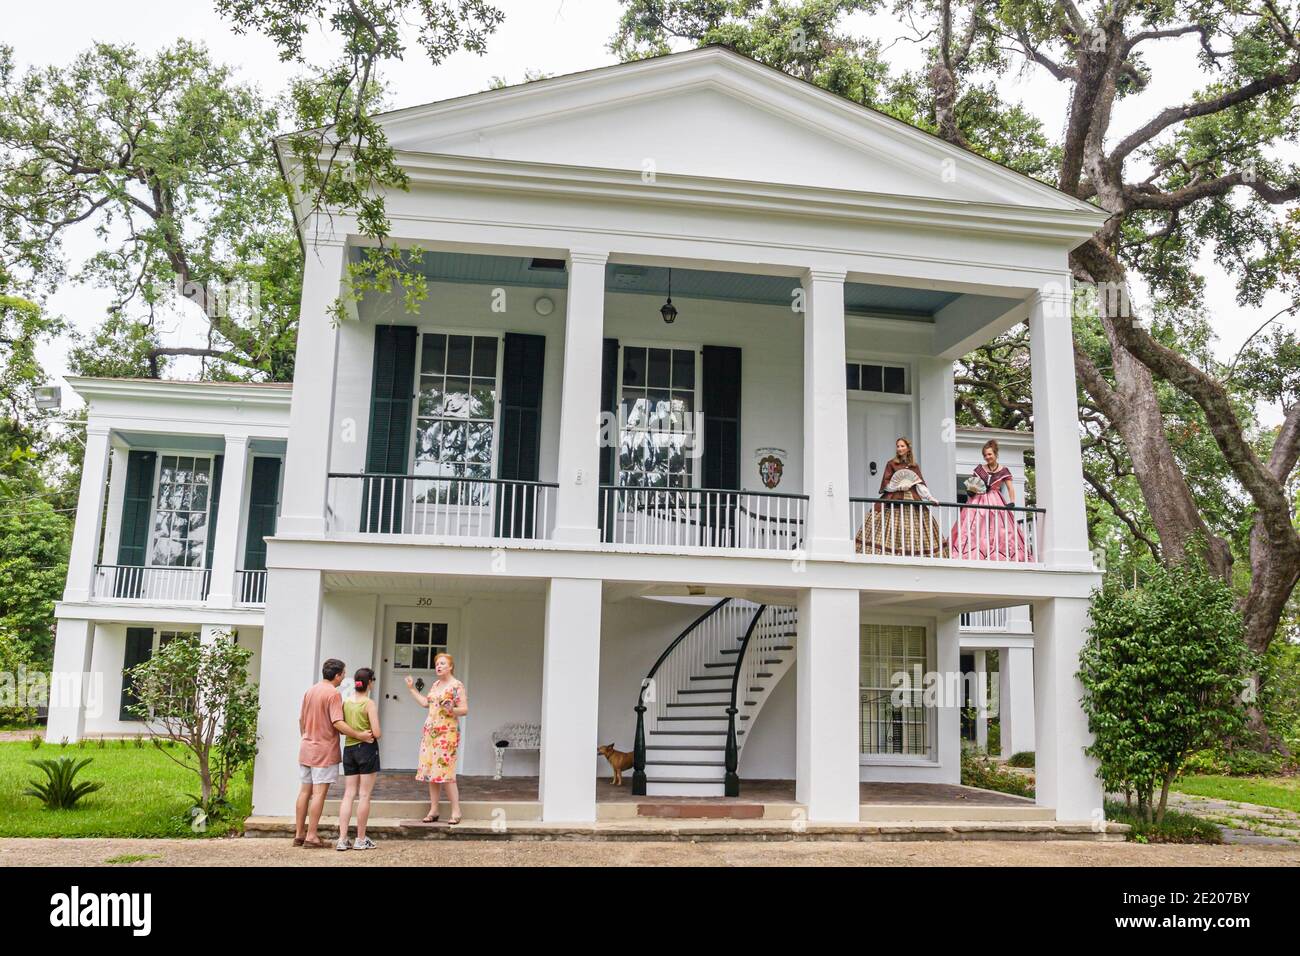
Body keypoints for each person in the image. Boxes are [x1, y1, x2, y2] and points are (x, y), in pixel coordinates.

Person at [294, 658, 374, 849]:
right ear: (337, 675)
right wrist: (359, 735)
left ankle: (299, 834)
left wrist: (306, 737)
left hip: (306, 747)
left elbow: (301, 719)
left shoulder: (310, 690)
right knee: (319, 793)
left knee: (305, 791)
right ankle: (312, 836)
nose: (344, 677)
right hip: (323, 750)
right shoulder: (333, 694)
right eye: (343, 674)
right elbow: (337, 722)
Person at [407, 652, 468, 825]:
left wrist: (451, 709)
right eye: (436, 664)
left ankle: (456, 810)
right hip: (430, 732)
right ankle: (434, 810)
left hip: (447, 732)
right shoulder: (435, 685)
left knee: (446, 771)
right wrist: (412, 689)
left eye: (442, 663)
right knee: (431, 772)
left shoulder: (457, 685)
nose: (438, 666)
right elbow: (426, 703)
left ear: (450, 666)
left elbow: (464, 709)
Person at [855, 437, 943, 556]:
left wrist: (930, 497)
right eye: (898, 446)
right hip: (894, 499)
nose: (900, 448)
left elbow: (919, 484)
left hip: (912, 500)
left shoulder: (914, 466)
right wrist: (899, 487)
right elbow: (886, 484)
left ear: (908, 448)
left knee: (912, 528)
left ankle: (912, 554)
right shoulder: (891, 463)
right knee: (890, 526)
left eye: (902, 446)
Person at [950, 438, 1029, 561]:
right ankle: (974, 551)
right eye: (985, 455)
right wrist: (971, 491)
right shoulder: (980, 469)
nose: (987, 457)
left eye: (989, 454)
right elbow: (972, 485)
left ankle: (997, 553)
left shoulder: (1004, 470)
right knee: (973, 525)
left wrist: (1012, 502)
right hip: (978, 498)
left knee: (998, 527)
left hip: (995, 499)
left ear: (996, 454)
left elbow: (1010, 488)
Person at [337, 667, 382, 851]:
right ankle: (361, 839)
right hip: (366, 750)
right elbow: (377, 732)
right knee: (364, 795)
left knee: (349, 794)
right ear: (370, 682)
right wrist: (368, 734)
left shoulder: (346, 702)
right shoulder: (368, 703)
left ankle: (342, 839)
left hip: (349, 749)